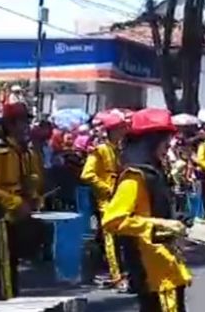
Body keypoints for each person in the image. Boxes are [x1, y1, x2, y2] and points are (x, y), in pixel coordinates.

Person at [102, 108, 191, 311]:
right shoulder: (135, 175)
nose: (169, 145)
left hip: (166, 267)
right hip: (153, 271)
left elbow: (155, 209)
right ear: (150, 140)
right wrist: (159, 224)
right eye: (164, 139)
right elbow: (113, 220)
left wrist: (177, 218)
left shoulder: (155, 170)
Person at [0, 102, 46, 300]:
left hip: (22, 213)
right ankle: (7, 300)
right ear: (10, 125)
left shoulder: (28, 153)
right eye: (21, 122)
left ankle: (12, 297)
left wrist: (35, 197)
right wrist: (15, 203)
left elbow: (35, 181)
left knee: (15, 261)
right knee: (5, 262)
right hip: (1, 214)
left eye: (27, 122)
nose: (26, 127)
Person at [80, 111, 128, 290]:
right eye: (121, 128)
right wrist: (106, 188)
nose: (124, 131)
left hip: (119, 198)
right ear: (113, 130)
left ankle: (116, 272)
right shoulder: (100, 150)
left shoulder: (118, 150)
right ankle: (116, 275)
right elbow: (87, 174)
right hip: (106, 200)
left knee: (119, 237)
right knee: (111, 237)